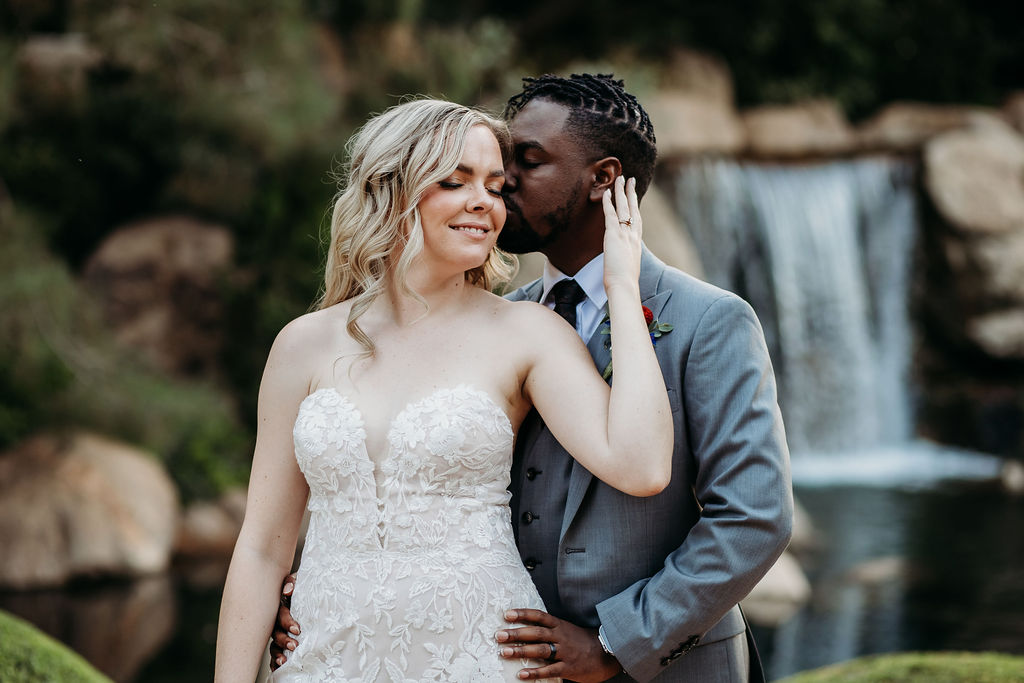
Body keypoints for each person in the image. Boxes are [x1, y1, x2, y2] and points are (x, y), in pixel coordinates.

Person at [271, 74, 794, 682]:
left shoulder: (709, 320)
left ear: (602, 178)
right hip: (492, 657)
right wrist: (328, 592)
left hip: (663, 669)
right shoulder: (499, 320)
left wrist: (616, 641)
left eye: (526, 162)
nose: (502, 183)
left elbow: (754, 516)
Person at [214, 97, 675, 682]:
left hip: (479, 656)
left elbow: (642, 465)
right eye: (455, 182)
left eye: (494, 185)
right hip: (323, 656)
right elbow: (261, 548)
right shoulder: (302, 344)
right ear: (390, 191)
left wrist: (620, 285)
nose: (483, 202)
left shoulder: (527, 332)